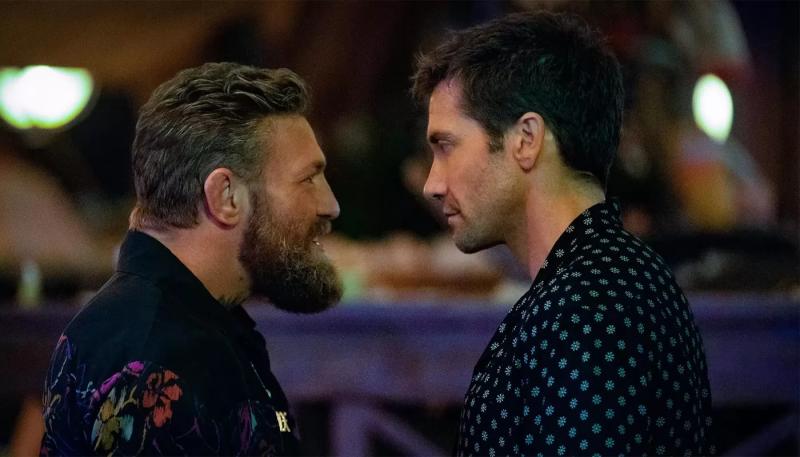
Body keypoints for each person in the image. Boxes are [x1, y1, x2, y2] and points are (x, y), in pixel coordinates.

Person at [412, 12, 714, 456]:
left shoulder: (585, 309)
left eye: (446, 146)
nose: (432, 184)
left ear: (526, 139)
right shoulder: (608, 280)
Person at [40, 62, 342, 455]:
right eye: (308, 179)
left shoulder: (180, 326)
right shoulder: (159, 357)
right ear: (226, 196)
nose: (330, 205)